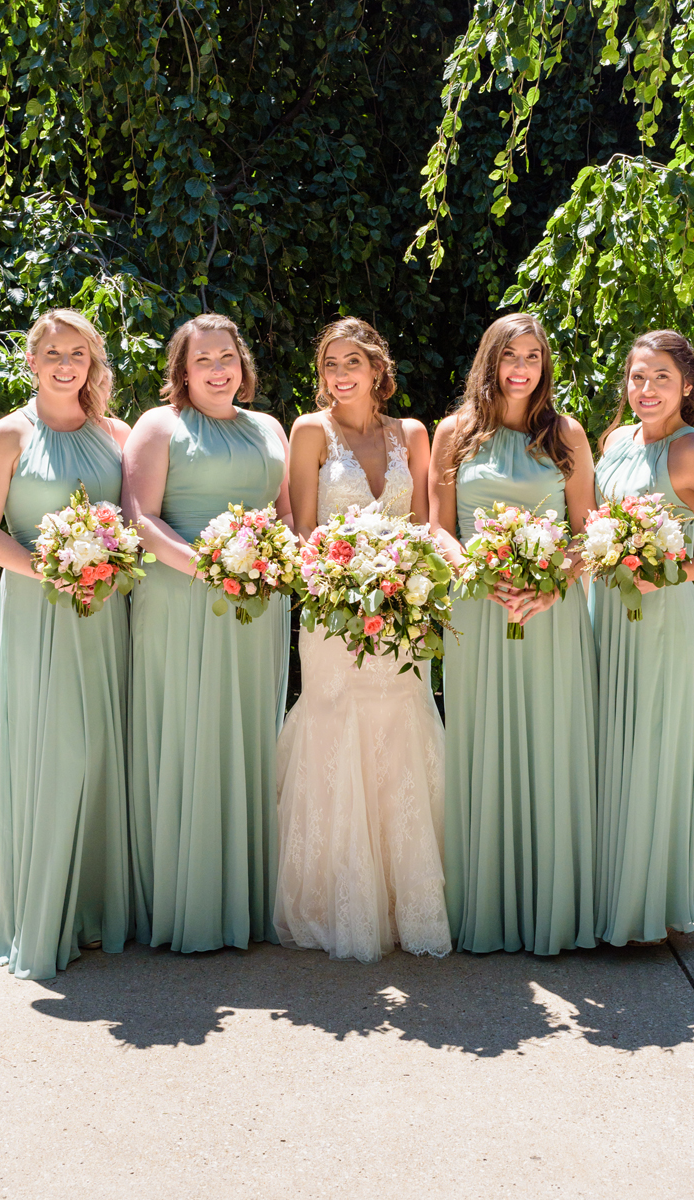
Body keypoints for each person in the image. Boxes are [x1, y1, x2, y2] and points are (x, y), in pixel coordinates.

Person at [0, 308, 133, 980]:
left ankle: (95, 908)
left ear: (92, 363)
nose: (67, 366)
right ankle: (41, 914)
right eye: (54, 354)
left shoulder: (116, 434)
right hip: (39, 607)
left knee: (101, 750)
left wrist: (107, 566)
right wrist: (53, 568)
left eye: (80, 354)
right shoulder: (7, 436)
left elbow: (135, 519)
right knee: (53, 747)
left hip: (103, 612)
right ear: (31, 361)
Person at [273, 318, 449, 962]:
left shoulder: (413, 434)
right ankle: (332, 901)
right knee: (334, 724)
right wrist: (340, 577)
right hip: (332, 613)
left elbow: (429, 525)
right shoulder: (310, 432)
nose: (339, 375)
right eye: (328, 365)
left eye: (351, 362)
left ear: (378, 369)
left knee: (401, 726)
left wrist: (407, 577)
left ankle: (407, 899)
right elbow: (302, 529)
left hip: (402, 609)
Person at [121, 314, 291, 954]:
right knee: (188, 731)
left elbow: (285, 514)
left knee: (247, 732)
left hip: (258, 604)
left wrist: (274, 562)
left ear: (242, 364)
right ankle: (184, 902)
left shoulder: (269, 427)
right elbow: (141, 520)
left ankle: (246, 901)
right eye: (204, 361)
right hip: (181, 598)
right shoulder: (159, 427)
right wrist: (211, 569)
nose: (219, 370)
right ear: (183, 374)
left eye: (227, 357)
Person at [430, 313, 599, 955]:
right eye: (510, 355)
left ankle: (549, 908)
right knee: (482, 740)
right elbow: (439, 526)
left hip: (551, 612)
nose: (521, 367)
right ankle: (487, 905)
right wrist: (476, 566)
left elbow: (587, 533)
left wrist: (551, 585)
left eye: (533, 355)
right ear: (489, 363)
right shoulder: (455, 434)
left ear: (544, 364)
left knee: (550, 742)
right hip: (477, 603)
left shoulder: (566, 434)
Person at [592, 332, 694, 945]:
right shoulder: (613, 441)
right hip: (603, 613)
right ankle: (606, 892)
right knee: (606, 747)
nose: (646, 389)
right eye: (637, 377)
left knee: (649, 751)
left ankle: (646, 905)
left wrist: (675, 574)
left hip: (661, 621)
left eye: (660, 377)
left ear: (686, 385)